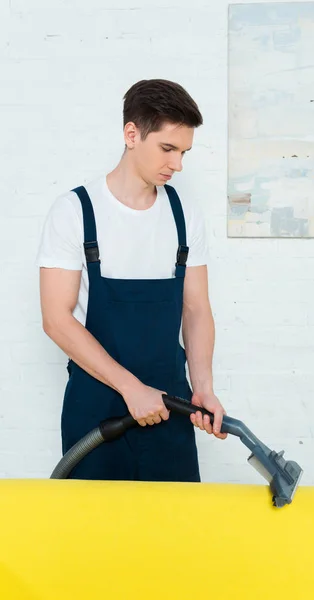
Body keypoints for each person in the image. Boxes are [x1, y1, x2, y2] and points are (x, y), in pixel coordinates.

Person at [36, 79, 227, 482]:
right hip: (96, 410)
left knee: (173, 536)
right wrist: (130, 388)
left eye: (184, 152)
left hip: (171, 405)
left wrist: (203, 387)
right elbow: (56, 318)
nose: (177, 165)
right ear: (131, 134)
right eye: (168, 149)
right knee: (93, 537)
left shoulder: (183, 215)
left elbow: (195, 309)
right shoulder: (74, 211)